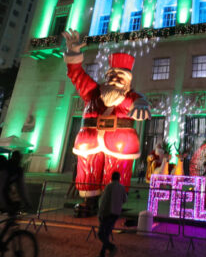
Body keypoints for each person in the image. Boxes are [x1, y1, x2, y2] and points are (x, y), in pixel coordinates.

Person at [62, 30, 149, 197]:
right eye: (112, 75)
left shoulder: (130, 97)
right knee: (88, 170)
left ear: (128, 82)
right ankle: (88, 200)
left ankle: (114, 200)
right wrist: (73, 53)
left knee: (117, 173)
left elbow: (140, 100)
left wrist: (141, 104)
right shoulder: (93, 92)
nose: (115, 78)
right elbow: (77, 75)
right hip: (90, 139)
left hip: (119, 142)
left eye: (121, 76)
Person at [0, 151, 30, 232]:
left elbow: (21, 187)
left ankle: (9, 225)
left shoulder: (15, 169)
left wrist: (26, 201)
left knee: (15, 205)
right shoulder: (6, 168)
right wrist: (4, 205)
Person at [97, 171, 127, 257]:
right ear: (119, 178)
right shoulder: (122, 187)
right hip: (115, 213)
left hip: (107, 213)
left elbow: (104, 201)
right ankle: (103, 253)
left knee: (101, 234)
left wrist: (100, 213)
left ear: (111, 178)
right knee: (106, 233)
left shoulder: (109, 187)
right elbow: (125, 199)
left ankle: (110, 247)